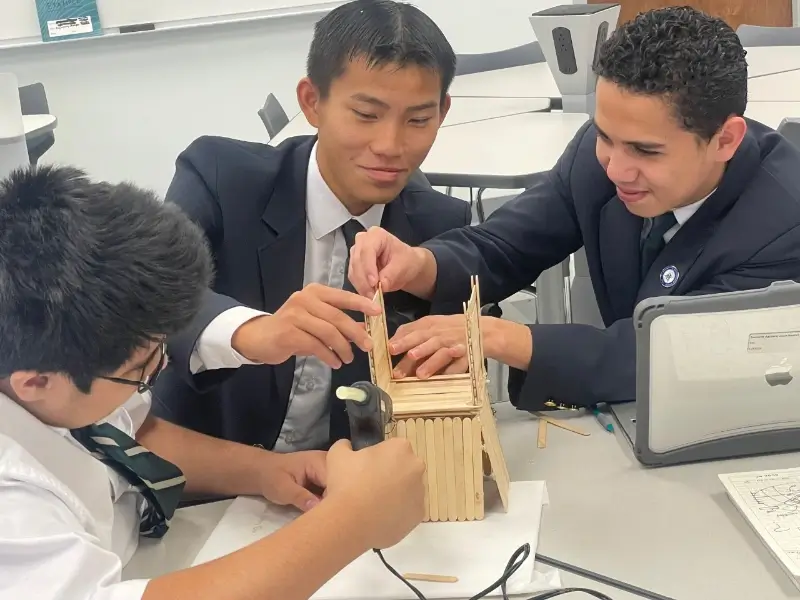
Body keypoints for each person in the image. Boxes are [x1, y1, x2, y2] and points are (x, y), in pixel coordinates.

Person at [0, 165, 426, 600]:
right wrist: (349, 521)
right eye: (138, 369)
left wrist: (267, 471)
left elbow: (122, 435)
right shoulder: (11, 504)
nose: (159, 370)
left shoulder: (54, 380)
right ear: (34, 382)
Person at [346, 6, 800, 411]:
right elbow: (508, 243)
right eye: (604, 135)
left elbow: (675, 352)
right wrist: (420, 263)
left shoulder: (783, 222)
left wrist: (502, 337)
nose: (616, 168)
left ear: (725, 140)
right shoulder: (598, 155)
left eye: (646, 151)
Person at [153, 0, 470, 451]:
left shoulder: (437, 228)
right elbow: (155, 292)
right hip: (204, 481)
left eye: (418, 119)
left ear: (442, 111)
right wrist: (252, 332)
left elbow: (458, 360)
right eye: (366, 115)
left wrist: (453, 365)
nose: (390, 145)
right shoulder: (221, 177)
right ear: (312, 102)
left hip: (346, 485)